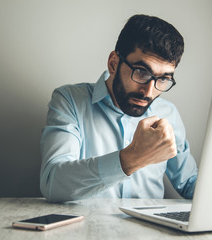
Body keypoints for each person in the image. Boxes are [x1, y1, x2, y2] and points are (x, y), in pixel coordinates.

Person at [40, 14, 198, 202]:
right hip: (85, 229)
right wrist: (132, 158)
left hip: (150, 230)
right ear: (113, 63)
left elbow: (189, 183)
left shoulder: (168, 113)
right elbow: (52, 184)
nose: (148, 92)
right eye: (141, 72)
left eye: (163, 79)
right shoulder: (69, 101)